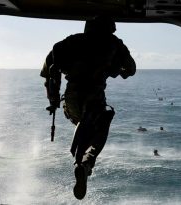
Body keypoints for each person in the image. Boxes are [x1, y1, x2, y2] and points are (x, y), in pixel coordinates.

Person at [40, 16, 136, 200]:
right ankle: (85, 163)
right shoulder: (114, 44)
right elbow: (131, 69)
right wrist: (117, 71)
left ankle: (81, 163)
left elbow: (50, 72)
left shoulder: (68, 43)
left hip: (72, 98)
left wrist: (53, 100)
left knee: (84, 122)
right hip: (95, 95)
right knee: (100, 124)